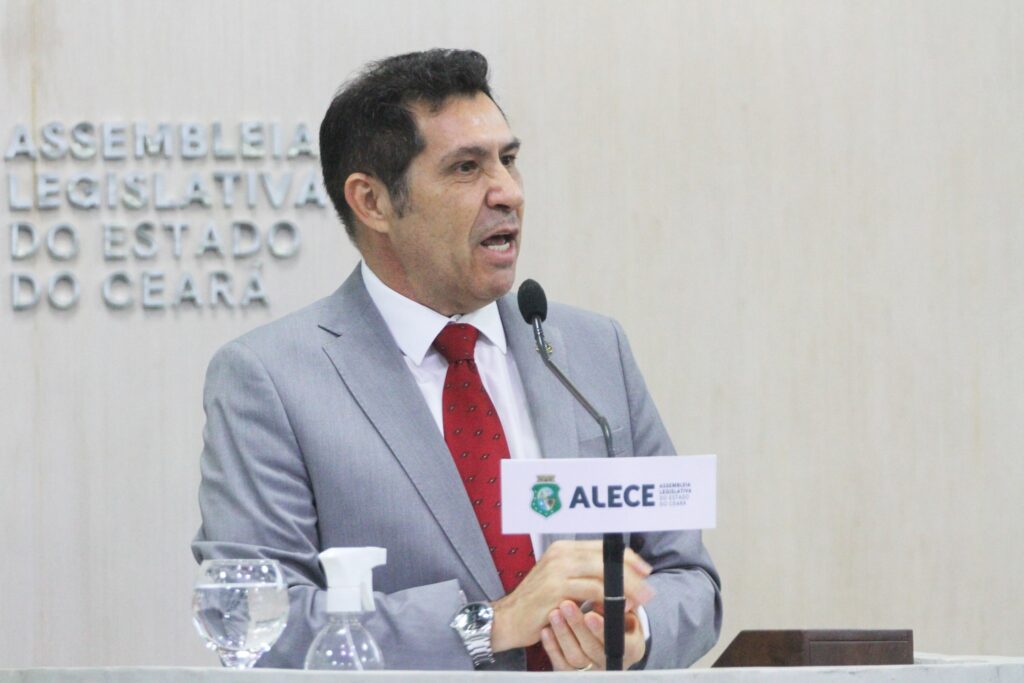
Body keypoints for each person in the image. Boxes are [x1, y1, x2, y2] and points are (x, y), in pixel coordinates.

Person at [193, 49, 721, 671]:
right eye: (466, 168)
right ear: (372, 202)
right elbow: (257, 622)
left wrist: (637, 634)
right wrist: (490, 624)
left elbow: (689, 577)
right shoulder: (271, 379)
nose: (509, 193)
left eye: (509, 160)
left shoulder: (590, 350)